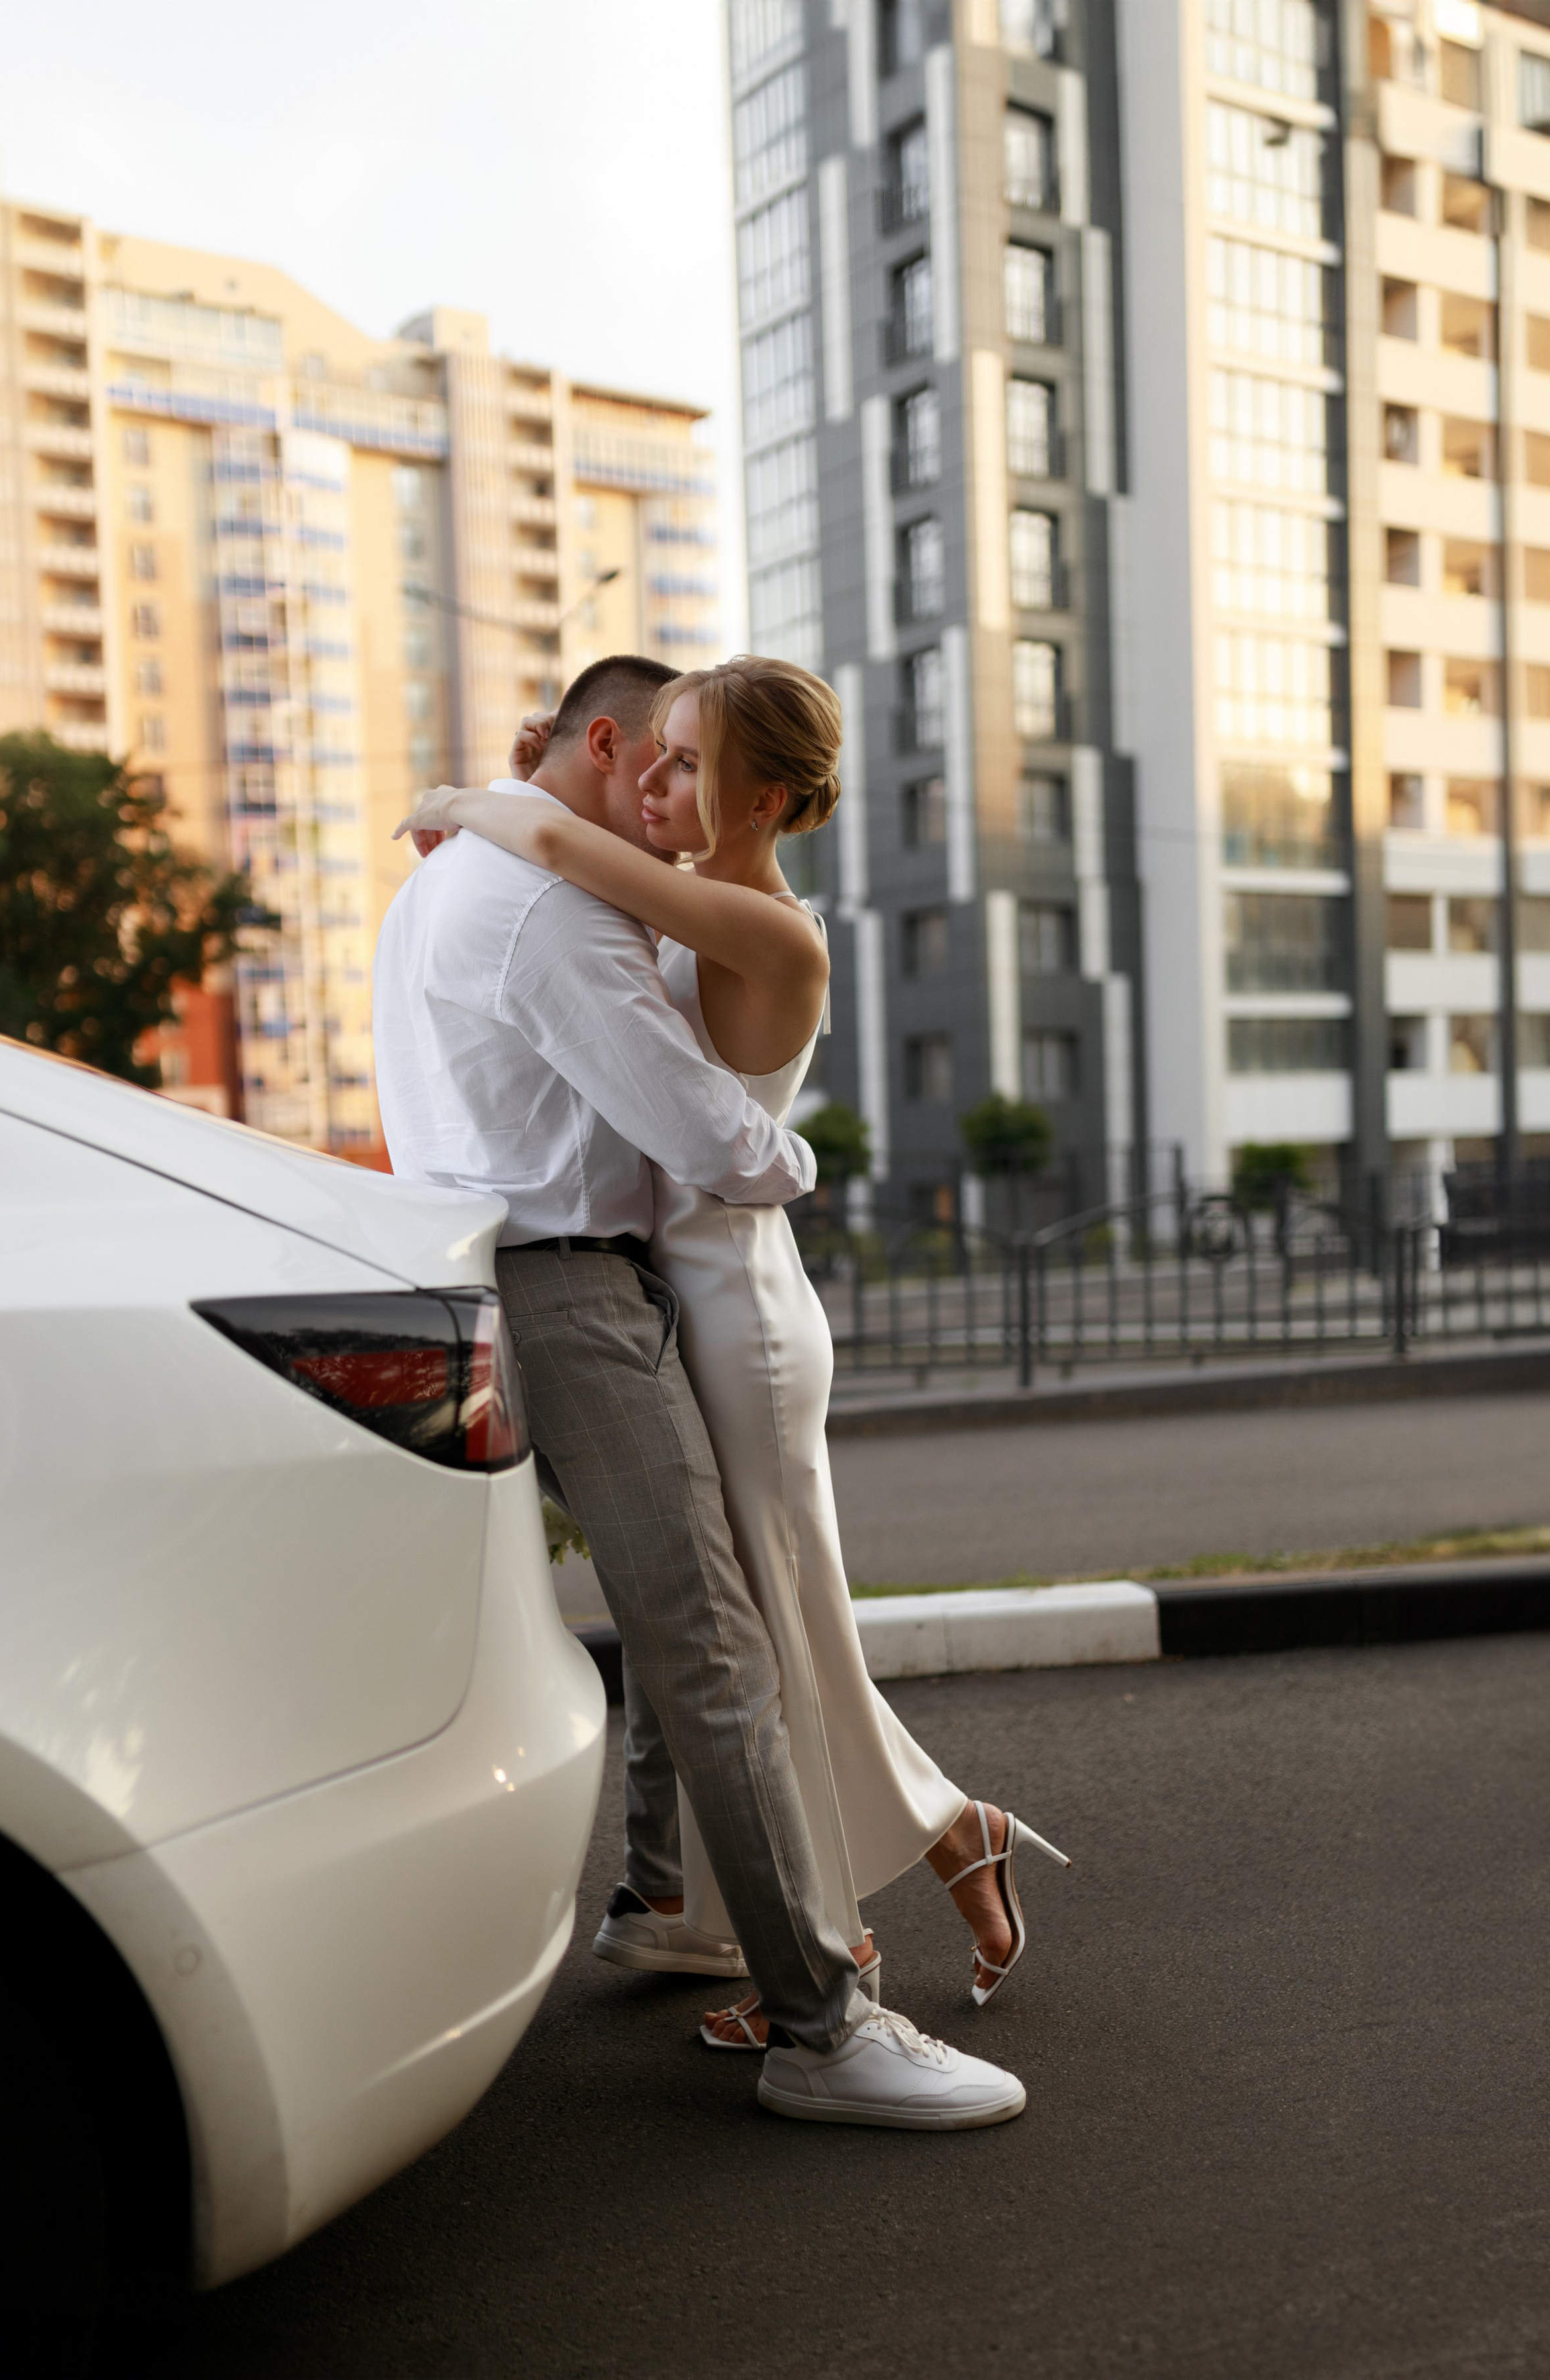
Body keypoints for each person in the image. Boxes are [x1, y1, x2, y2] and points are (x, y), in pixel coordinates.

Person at [375, 653, 1027, 2129]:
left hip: (654, 1292)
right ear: (608, 743)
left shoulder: (472, 880)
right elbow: (719, 1143)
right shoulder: (544, 901)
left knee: (738, 1621)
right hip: (595, 1282)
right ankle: (826, 2013)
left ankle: (693, 1900)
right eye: (652, 758)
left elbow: (564, 876)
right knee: (728, 1639)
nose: (660, 793)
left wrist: (474, 799)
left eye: (693, 764)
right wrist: (789, 1173)